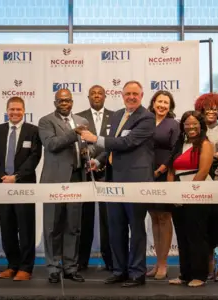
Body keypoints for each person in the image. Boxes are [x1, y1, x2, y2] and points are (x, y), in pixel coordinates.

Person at [81, 80, 155, 288]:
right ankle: (120, 270)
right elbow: (113, 146)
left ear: (141, 95)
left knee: (136, 229)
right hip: (113, 180)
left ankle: (137, 273)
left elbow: (127, 142)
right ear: (122, 95)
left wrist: (95, 138)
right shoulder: (116, 115)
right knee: (116, 228)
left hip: (136, 182)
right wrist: (98, 161)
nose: (131, 97)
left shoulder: (147, 117)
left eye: (135, 94)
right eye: (127, 94)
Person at [39, 88, 90, 284]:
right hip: (54, 181)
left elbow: (86, 145)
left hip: (77, 178)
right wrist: (73, 133)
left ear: (72, 102)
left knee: (73, 227)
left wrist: (89, 152)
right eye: (60, 101)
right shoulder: (46, 121)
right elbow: (51, 144)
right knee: (52, 227)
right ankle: (53, 267)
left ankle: (70, 267)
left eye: (67, 100)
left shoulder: (81, 121)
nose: (64, 103)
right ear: (55, 103)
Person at [0, 97, 42, 281]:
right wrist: (1, 177)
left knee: (25, 227)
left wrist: (16, 177)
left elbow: (34, 158)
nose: (15, 113)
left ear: (24, 110)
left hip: (24, 186)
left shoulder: (33, 131)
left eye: (18, 109)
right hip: (2, 186)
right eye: (12, 109)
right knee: (7, 227)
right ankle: (12, 265)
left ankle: (26, 268)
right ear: (7, 110)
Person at [167, 110, 214, 288]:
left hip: (198, 192)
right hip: (178, 194)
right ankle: (185, 274)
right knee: (182, 235)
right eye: (187, 124)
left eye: (194, 123)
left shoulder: (205, 144)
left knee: (197, 235)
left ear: (201, 125)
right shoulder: (180, 143)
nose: (191, 127)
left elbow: (203, 171)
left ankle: (199, 275)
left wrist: (189, 192)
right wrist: (172, 191)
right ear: (183, 127)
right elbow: (171, 169)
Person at [194, 93, 218, 282]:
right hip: (200, 183)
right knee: (205, 225)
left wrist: (217, 180)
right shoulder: (196, 129)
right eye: (208, 107)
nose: (212, 111)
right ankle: (209, 262)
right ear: (201, 109)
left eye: (216, 108)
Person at [76, 85, 114, 272]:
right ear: (88, 96)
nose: (97, 96)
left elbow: (113, 144)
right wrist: (87, 158)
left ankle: (111, 260)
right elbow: (77, 144)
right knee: (85, 218)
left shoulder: (115, 116)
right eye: (93, 94)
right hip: (85, 172)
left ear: (105, 96)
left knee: (109, 219)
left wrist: (99, 160)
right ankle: (81, 260)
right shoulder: (79, 118)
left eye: (100, 93)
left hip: (109, 172)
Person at [146, 91, 179, 280]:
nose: (162, 105)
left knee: (165, 217)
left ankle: (164, 264)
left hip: (164, 174)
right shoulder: (146, 121)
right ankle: (156, 262)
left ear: (170, 106)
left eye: (166, 102)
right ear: (153, 103)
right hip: (146, 175)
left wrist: (161, 169)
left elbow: (176, 151)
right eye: (160, 101)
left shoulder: (173, 124)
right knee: (154, 217)